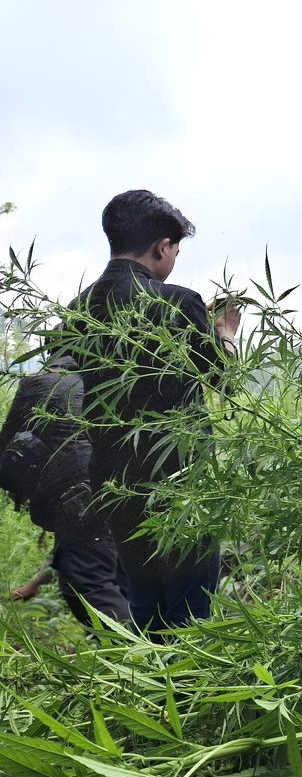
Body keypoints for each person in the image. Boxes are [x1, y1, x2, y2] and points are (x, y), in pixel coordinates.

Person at [65, 189, 238, 634]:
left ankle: (147, 695)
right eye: (175, 250)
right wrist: (225, 333)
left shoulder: (78, 311)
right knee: (189, 612)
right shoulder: (177, 302)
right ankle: (184, 697)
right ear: (163, 246)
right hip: (182, 484)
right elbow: (224, 380)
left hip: (115, 484)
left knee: (144, 605)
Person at [0, 355, 130, 626]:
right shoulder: (109, 381)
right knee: (119, 577)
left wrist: (18, 485)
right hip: (120, 492)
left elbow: (7, 442)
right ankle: (153, 649)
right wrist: (35, 584)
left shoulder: (37, 383)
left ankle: (135, 655)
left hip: (77, 498)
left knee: (89, 586)